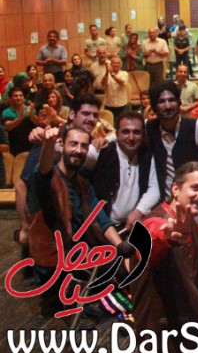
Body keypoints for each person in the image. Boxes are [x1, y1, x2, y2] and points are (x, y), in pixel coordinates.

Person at [28, 125, 126, 315]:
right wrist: (48, 143)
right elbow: (43, 171)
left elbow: (101, 219)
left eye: (83, 146)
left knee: (121, 268)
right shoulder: (48, 177)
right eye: (73, 144)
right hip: (53, 259)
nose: (78, 150)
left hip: (77, 252)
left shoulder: (82, 182)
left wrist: (121, 247)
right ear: (62, 145)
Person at [133, 162, 198, 352]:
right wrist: (167, 237)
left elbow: (194, 278)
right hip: (164, 342)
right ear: (175, 189)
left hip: (190, 332)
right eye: (196, 187)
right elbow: (150, 237)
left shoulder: (189, 223)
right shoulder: (156, 222)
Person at [86, 111, 159, 231]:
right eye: (125, 132)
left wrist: (139, 210)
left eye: (136, 132)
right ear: (116, 134)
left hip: (130, 227)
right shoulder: (100, 151)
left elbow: (154, 187)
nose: (131, 137)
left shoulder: (147, 155)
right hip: (100, 228)